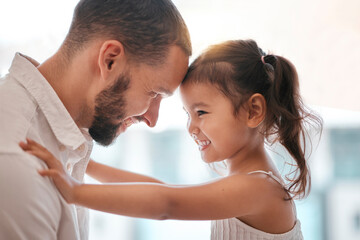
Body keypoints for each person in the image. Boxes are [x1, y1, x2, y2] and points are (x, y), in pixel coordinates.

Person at [20, 39, 322, 240]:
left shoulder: (258, 187)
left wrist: (75, 192)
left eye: (201, 112)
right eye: (188, 114)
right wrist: (87, 165)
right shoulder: (248, 178)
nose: (192, 128)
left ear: (254, 111)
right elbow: (162, 189)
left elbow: (167, 203)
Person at [0, 0, 191, 239]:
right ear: (110, 60)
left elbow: (168, 197)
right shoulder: (17, 161)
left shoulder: (60, 140)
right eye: (153, 93)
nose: (152, 119)